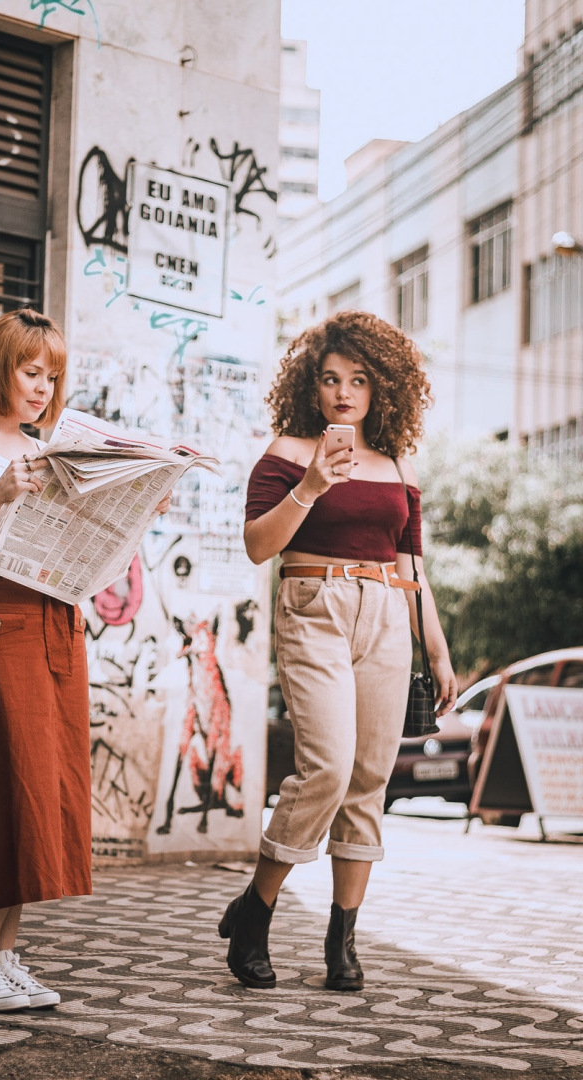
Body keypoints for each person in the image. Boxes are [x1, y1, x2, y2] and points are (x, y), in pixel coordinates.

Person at [0, 308, 170, 1011]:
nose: (41, 387)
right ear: (0, 363)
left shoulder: (49, 444)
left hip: (53, 612)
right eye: (32, 371)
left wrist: (137, 509)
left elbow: (86, 547)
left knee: (39, 785)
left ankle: (3, 953)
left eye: (53, 376)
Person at [218, 310, 457, 992]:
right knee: (325, 767)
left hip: (387, 612)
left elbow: (413, 565)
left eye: (357, 380)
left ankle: (341, 940)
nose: (343, 392)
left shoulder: (395, 464)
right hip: (312, 607)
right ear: (310, 386)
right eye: (329, 379)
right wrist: (314, 483)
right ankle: (257, 909)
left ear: (382, 388)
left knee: (369, 777)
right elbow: (260, 546)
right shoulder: (288, 454)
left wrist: (436, 649)